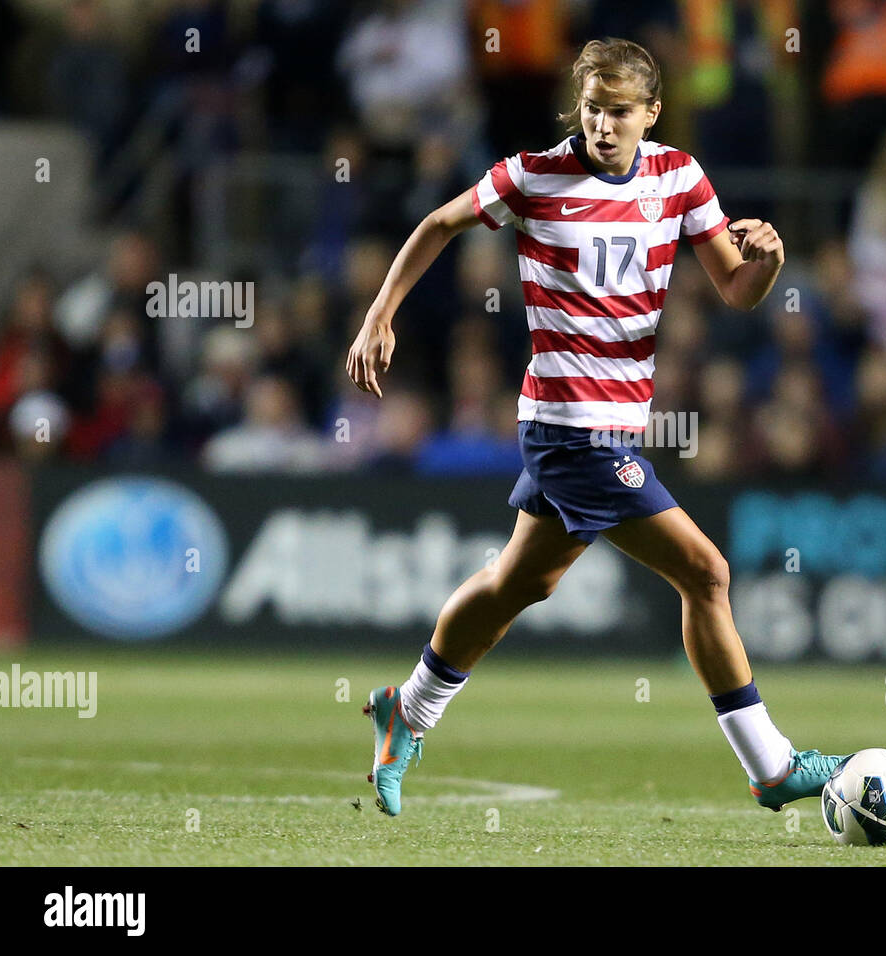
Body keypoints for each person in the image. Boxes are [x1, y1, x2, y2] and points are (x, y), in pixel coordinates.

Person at [345, 37, 843, 817]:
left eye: (619, 111)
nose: (603, 125)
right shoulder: (534, 175)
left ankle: (405, 709)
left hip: (616, 430)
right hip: (568, 427)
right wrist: (381, 313)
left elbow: (737, 289)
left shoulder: (679, 179)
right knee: (706, 573)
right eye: (592, 108)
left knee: (520, 582)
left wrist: (769, 262)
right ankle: (772, 766)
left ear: (651, 113)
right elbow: (439, 222)